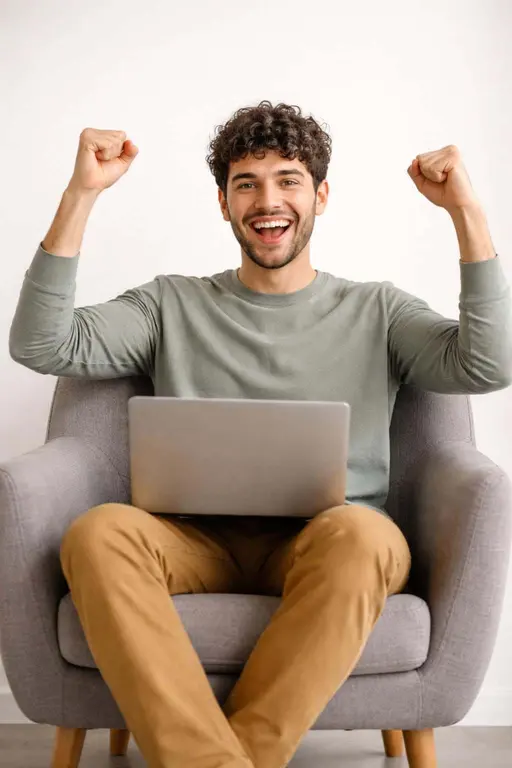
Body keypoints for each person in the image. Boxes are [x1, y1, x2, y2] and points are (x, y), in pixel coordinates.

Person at [9, 100, 511, 768]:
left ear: (321, 196)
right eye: (246, 183)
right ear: (223, 203)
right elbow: (42, 344)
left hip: (331, 542)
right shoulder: (169, 304)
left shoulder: (378, 309)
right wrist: (81, 194)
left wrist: (466, 214)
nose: (267, 200)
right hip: (193, 542)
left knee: (365, 535)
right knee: (97, 533)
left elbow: (488, 362)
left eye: (287, 180)